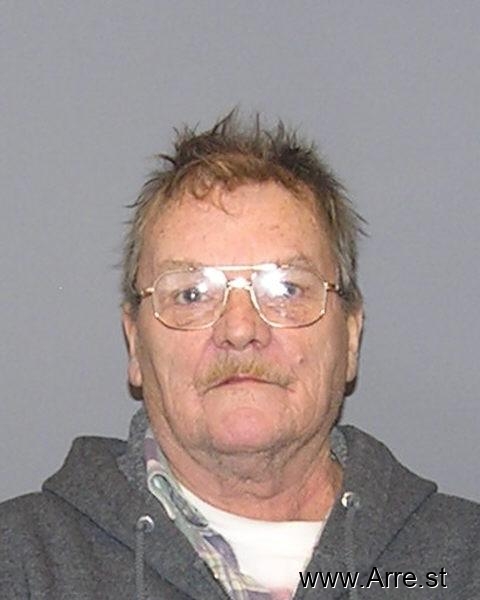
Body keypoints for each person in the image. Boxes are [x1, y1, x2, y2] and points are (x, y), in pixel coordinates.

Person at [1, 113, 479, 600]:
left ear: (351, 337)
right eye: (191, 293)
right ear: (136, 346)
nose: (240, 329)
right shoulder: (21, 565)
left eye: (286, 289)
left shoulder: (464, 563)